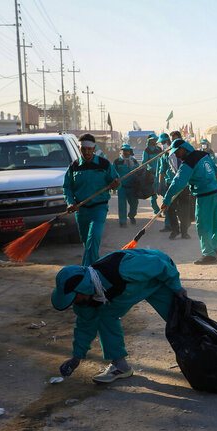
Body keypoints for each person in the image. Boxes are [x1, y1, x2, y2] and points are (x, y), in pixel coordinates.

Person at [51, 249, 185, 383]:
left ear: (83, 288)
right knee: (106, 317)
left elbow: (159, 265)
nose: (73, 302)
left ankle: (199, 354)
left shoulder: (120, 268)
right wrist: (77, 357)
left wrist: (177, 287)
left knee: (181, 320)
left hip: (158, 278)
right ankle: (120, 366)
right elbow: (84, 326)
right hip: (127, 293)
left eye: (74, 297)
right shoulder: (85, 300)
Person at [161, 139, 217, 265]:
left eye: (177, 152)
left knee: (203, 225)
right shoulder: (204, 155)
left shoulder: (189, 162)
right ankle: (215, 250)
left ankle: (208, 254)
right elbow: (215, 170)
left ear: (183, 149)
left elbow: (177, 182)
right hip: (216, 192)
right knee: (215, 223)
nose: (176, 155)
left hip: (204, 196)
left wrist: (167, 200)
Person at [63, 133, 120, 266]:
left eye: (89, 149)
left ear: (94, 148)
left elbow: (116, 180)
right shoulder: (74, 167)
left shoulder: (104, 164)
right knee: (87, 243)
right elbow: (67, 187)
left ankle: (86, 271)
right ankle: (97, 268)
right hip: (81, 210)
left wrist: (115, 184)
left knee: (93, 237)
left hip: (99, 208)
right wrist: (70, 202)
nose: (87, 152)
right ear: (79, 148)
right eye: (84, 149)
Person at [113, 144, 139, 228]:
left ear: (130, 151)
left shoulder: (134, 161)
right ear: (121, 151)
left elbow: (139, 172)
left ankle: (131, 215)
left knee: (134, 203)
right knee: (122, 205)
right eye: (124, 150)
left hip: (132, 187)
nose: (126, 152)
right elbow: (113, 173)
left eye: (127, 151)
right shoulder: (117, 161)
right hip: (121, 187)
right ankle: (122, 221)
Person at [156, 133, 174, 232]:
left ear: (168, 141)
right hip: (168, 183)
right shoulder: (164, 155)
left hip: (178, 182)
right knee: (166, 204)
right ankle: (168, 225)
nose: (163, 144)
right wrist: (160, 184)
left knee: (180, 206)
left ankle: (182, 227)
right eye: (161, 143)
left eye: (164, 142)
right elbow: (161, 171)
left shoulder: (177, 153)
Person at [142, 134, 162, 215]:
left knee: (163, 191)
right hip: (151, 174)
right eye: (153, 140)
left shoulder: (159, 149)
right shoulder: (146, 151)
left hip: (161, 174)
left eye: (155, 139)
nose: (155, 141)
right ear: (149, 141)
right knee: (153, 194)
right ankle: (156, 210)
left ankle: (166, 210)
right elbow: (144, 163)